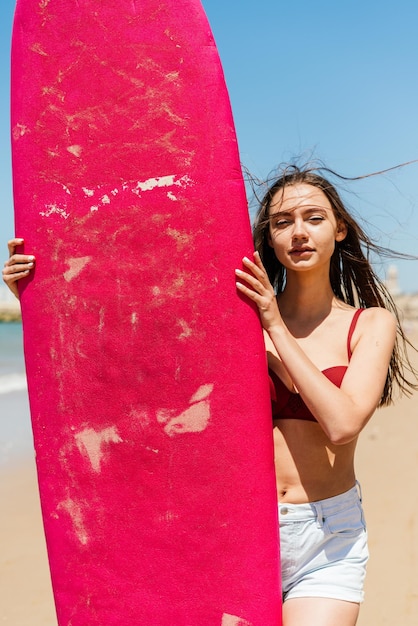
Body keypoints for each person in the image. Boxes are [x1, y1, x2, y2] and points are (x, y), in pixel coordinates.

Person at [3, 165, 417, 626]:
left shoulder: (370, 323)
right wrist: (41, 300)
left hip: (329, 538)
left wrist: (273, 325)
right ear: (270, 238)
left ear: (339, 229)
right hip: (238, 531)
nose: (299, 232)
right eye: (282, 222)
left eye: (314, 218)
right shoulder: (236, 318)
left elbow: (342, 424)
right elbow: (131, 370)